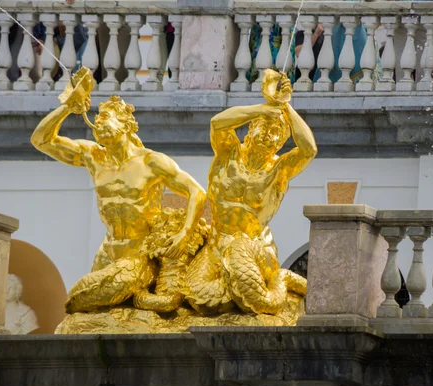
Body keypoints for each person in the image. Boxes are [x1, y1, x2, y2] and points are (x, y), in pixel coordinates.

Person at [31, 67, 206, 313]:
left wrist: (184, 234)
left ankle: (142, 297)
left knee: (84, 298)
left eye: (105, 119)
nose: (98, 124)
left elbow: (197, 192)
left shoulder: (151, 162)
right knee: (82, 308)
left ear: (125, 124)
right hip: (108, 251)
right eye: (97, 120)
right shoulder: (93, 157)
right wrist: (68, 107)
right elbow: (41, 140)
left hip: (140, 254)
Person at [183, 69, 313, 316]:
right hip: (217, 244)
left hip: (255, 247)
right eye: (264, 128)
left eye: (277, 134)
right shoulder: (228, 154)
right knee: (195, 293)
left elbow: (309, 149)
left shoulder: (279, 170)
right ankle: (277, 282)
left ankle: (277, 280)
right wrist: (262, 109)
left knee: (239, 249)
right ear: (250, 129)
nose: (269, 136)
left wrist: (285, 107)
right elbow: (217, 123)